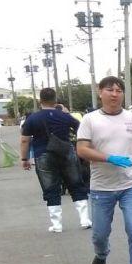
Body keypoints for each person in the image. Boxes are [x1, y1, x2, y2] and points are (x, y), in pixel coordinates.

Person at [75, 77, 132, 264]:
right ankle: (101, 253)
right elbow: (82, 149)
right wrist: (109, 158)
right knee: (100, 234)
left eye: (119, 90)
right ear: (100, 92)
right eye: (109, 90)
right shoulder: (90, 120)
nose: (114, 94)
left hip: (130, 184)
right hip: (102, 186)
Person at [20, 88, 90, 233]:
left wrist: (24, 158)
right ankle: (84, 219)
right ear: (55, 100)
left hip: (43, 155)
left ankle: (57, 225)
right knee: (76, 184)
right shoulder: (64, 116)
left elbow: (25, 141)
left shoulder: (32, 118)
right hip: (66, 152)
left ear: (40, 101)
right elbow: (81, 128)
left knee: (50, 188)